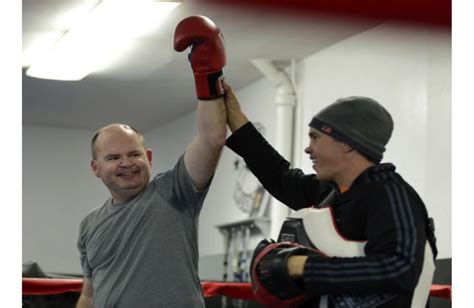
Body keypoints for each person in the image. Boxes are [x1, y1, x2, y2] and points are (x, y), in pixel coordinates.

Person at [223, 81, 437, 307]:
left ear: (346, 143)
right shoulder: (331, 193)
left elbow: (400, 269)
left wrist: (298, 266)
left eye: (315, 137)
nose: (308, 148)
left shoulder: (390, 194)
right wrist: (234, 116)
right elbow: (277, 175)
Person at [76, 15, 227, 308]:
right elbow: (89, 294)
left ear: (148, 158)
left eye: (134, 154)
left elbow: (212, 140)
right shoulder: (89, 224)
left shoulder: (174, 192)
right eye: (113, 157)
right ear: (96, 168)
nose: (126, 163)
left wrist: (208, 74)